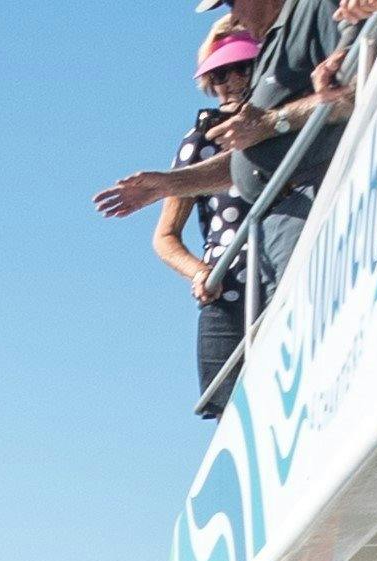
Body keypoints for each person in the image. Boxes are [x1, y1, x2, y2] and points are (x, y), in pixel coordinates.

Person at [100, 27, 265, 401]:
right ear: (210, 81)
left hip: (289, 262)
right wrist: (201, 272)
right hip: (228, 288)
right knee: (230, 408)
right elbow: (165, 236)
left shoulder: (276, 118)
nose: (234, 80)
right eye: (221, 73)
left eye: (244, 67)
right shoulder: (197, 143)